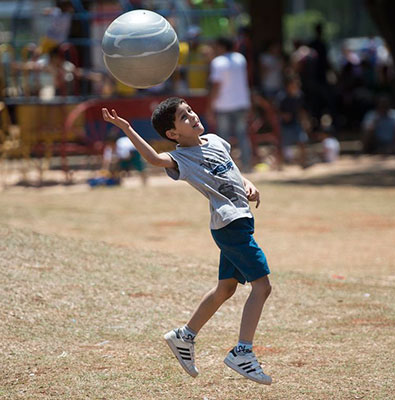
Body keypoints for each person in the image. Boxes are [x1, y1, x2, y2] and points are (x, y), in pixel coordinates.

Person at [101, 97, 272, 385]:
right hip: (230, 225)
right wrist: (128, 128)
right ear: (173, 134)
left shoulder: (216, 141)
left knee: (226, 289)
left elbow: (231, 171)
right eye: (183, 117)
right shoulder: (182, 158)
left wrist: (247, 184)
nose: (192, 116)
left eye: (190, 111)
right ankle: (242, 351)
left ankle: (184, 336)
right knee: (262, 287)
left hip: (238, 221)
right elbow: (155, 159)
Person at [207, 37, 253, 172]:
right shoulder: (240, 59)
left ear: (221, 46)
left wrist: (210, 107)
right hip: (241, 102)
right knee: (242, 135)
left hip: (223, 104)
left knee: (223, 138)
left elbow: (216, 85)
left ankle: (226, 167)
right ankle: (247, 165)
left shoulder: (217, 62)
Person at [277, 76, 309, 166]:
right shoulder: (282, 96)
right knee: (282, 145)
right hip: (284, 124)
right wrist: (284, 116)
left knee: (302, 140)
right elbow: (276, 111)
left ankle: (303, 162)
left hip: (295, 122)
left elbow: (302, 109)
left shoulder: (299, 95)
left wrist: (305, 120)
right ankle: (280, 164)